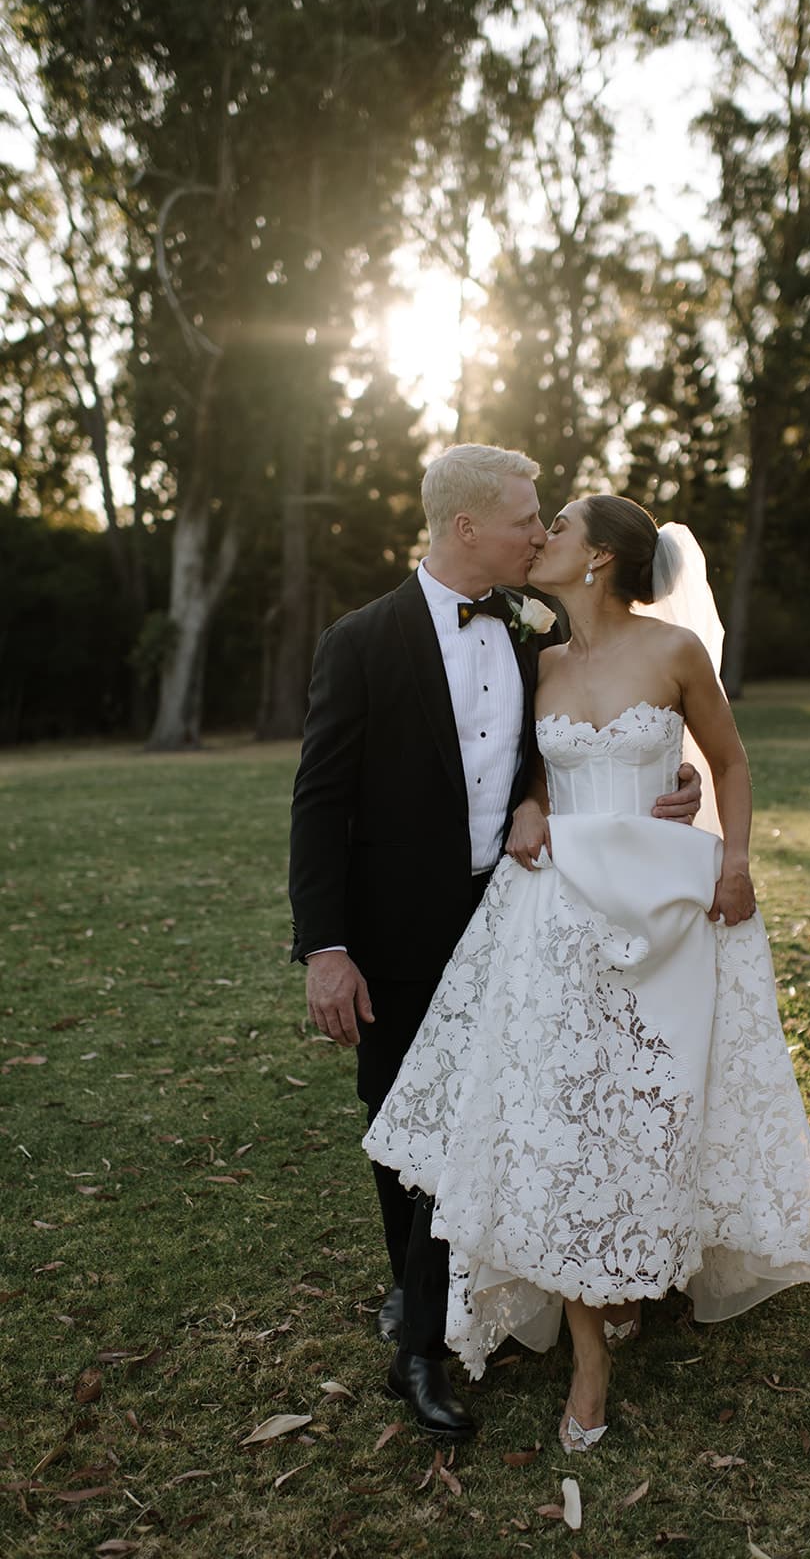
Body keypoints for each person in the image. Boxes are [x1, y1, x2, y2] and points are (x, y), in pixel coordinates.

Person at [364, 494, 810, 1453]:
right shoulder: (535, 657)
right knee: (562, 1109)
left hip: (666, 907)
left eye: (559, 529)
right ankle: (590, 1357)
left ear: (598, 561)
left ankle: (630, 1272)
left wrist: (735, 859)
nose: (541, 539)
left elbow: (731, 762)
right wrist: (536, 805)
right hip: (556, 910)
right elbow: (528, 768)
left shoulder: (673, 653)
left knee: (652, 1096)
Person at [288, 450, 702, 1443]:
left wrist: (659, 783)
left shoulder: (530, 636)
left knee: (534, 1109)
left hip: (519, 914)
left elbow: (569, 741)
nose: (535, 532)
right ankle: (420, 1341)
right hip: (392, 933)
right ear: (466, 527)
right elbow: (319, 801)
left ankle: (519, 1287)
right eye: (524, 518)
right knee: (412, 1126)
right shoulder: (360, 642)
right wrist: (324, 946)